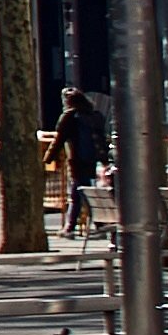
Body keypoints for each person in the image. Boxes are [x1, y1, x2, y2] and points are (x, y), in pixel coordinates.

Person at [58, 87, 108, 240]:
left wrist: (47, 158)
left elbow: (59, 139)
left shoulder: (70, 116)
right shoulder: (94, 116)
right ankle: (96, 224)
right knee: (83, 190)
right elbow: (101, 137)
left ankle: (74, 226)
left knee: (79, 192)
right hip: (91, 158)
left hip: (77, 159)